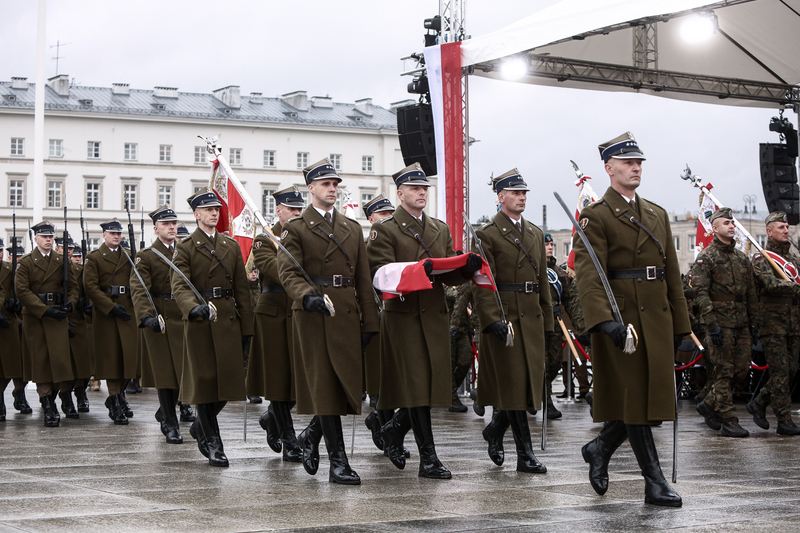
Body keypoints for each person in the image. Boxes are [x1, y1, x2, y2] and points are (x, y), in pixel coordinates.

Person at [574, 132, 689, 507]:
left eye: (639, 162)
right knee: (637, 399)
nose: (636, 167)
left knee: (647, 399)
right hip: (624, 320)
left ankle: (600, 447)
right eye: (627, 163)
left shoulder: (656, 213)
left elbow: (671, 273)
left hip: (656, 317)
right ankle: (654, 482)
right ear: (609, 169)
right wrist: (603, 321)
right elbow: (591, 274)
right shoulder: (597, 215)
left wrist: (683, 326)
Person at [367, 163, 482, 479]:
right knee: (418, 386)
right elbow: (379, 274)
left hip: (433, 316)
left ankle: (393, 429)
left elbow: (446, 272)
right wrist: (421, 270)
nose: (421, 192)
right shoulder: (386, 230)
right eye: (415, 188)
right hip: (404, 317)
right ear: (400, 193)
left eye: (425, 188)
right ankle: (428, 458)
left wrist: (465, 267)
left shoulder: (439, 229)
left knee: (432, 386)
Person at [278, 158, 379, 484]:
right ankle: (338, 462)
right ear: (311, 188)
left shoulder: (351, 229)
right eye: (325, 184)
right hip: (315, 315)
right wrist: (306, 295)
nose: (332, 189)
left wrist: (370, 321)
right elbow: (288, 271)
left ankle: (310, 436)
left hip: (346, 314)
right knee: (326, 386)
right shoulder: (295, 228)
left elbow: (363, 280)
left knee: (346, 387)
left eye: (335, 184)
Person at [472, 169, 551, 474]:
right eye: (515, 193)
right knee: (516, 384)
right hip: (507, 316)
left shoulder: (532, 232)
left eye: (524, 193)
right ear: (501, 196)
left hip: (531, 316)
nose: (521, 197)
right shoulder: (487, 234)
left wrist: (547, 319)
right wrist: (492, 320)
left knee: (524, 385)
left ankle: (495, 430)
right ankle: (526, 455)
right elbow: (481, 282)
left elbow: (542, 280)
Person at [172, 190, 253, 467]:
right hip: (201, 321)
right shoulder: (185, 247)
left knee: (229, 384)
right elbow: (179, 284)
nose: (214, 213)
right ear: (196, 214)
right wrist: (192, 307)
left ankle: (199, 428)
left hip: (227, 318)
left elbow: (242, 288)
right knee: (205, 383)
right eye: (207, 210)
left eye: (216, 209)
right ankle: (213, 443)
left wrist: (247, 325)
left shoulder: (229, 246)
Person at [246, 186, 304, 461]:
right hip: (272, 314)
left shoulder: (303, 236)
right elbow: (275, 271)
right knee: (279, 379)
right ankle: (290, 439)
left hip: (298, 311)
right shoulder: (263, 239)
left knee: (299, 377)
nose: (296, 213)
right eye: (291, 209)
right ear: (278, 210)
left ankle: (272, 418)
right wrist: (286, 247)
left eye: (299, 209)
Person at [692, 207, 759, 438]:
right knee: (723, 371)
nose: (732, 226)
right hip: (720, 322)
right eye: (726, 223)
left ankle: (708, 403)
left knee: (741, 371)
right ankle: (729, 419)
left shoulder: (742, 258)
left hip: (741, 323)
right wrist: (712, 324)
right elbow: (700, 292)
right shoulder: (707, 257)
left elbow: (751, 293)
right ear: (715, 228)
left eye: (733, 222)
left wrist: (754, 322)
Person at [129, 205, 186, 444]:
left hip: (181, 315)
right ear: (156, 228)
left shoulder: (184, 251)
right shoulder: (147, 255)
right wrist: (146, 316)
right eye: (166, 224)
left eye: (174, 223)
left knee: (182, 373)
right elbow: (139, 288)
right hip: (160, 318)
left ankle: (165, 411)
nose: (172, 227)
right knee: (165, 375)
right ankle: (170, 424)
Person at [15, 221, 79, 427]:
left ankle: (51, 400)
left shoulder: (62, 260)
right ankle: (48, 406)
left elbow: (74, 287)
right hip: (37, 317)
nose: (49, 240)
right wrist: (43, 310)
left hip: (58, 315)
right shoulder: (25, 262)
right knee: (42, 362)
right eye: (44, 237)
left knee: (59, 362)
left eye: (51, 237)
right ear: (36, 239)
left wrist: (71, 302)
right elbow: (22, 291)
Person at [747, 211, 800, 435]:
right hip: (772, 324)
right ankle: (784, 419)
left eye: (787, 227)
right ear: (769, 231)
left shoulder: (794, 260)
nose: (786, 230)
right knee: (780, 372)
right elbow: (768, 284)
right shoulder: (762, 258)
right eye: (781, 227)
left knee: (790, 370)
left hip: (794, 324)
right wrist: (793, 287)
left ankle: (759, 402)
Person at [84, 218, 139, 424]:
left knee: (129, 359)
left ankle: (120, 395)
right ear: (104, 235)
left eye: (118, 233)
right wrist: (110, 306)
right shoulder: (94, 257)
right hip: (107, 314)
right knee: (112, 359)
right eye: (112, 233)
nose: (116, 236)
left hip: (128, 310)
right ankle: (114, 400)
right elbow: (91, 287)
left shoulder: (129, 256)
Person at [359, 194, 404, 449]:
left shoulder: (395, 244)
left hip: (395, 316)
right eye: (381, 214)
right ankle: (386, 434)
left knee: (394, 377)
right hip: (375, 317)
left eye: (390, 213)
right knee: (378, 379)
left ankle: (380, 421)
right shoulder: (365, 246)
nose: (387, 217)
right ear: (370, 218)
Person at [544, 233, 587, 417]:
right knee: (540, 363)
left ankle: (538, 394)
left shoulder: (559, 273)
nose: (550, 247)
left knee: (553, 364)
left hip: (555, 326)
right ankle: (546, 401)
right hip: (535, 325)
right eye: (546, 244)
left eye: (552, 244)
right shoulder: (532, 270)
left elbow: (572, 300)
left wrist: (582, 328)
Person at [55, 236, 92, 415]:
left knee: (82, 364)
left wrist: (88, 303)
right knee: (65, 364)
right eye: (64, 248)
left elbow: (86, 288)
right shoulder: (53, 266)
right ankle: (65, 397)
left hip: (78, 319)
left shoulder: (79, 269)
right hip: (57, 318)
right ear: (57, 249)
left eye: (70, 248)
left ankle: (80, 392)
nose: (69, 251)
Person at [0, 237, 29, 421]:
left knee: (16, 365)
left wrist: (17, 304)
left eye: (0, 250)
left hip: (10, 322)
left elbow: (20, 289)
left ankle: (19, 394)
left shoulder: (9, 269)